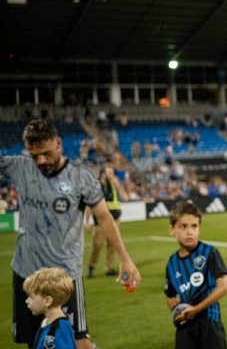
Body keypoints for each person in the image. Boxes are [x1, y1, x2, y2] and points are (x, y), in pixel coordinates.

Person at [4, 119, 141, 349]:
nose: (41, 161)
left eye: (46, 153)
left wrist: (125, 260)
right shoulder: (20, 166)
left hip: (63, 275)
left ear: (58, 143)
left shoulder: (81, 177)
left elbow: (106, 218)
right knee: (35, 342)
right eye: (34, 155)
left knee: (80, 343)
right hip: (26, 273)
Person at [164, 201, 227, 349]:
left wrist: (196, 309)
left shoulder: (209, 252)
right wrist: (178, 311)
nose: (190, 232)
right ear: (172, 230)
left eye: (194, 226)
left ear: (199, 229)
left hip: (209, 324)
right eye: (183, 226)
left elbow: (224, 287)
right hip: (185, 328)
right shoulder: (172, 263)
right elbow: (170, 295)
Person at [85, 166, 128, 278]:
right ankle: (91, 266)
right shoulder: (96, 186)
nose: (112, 174)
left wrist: (119, 185)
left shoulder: (113, 184)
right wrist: (87, 221)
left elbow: (125, 197)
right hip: (101, 222)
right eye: (110, 172)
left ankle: (109, 268)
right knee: (97, 245)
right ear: (103, 174)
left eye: (112, 172)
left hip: (115, 220)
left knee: (113, 245)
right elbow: (90, 205)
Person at [23, 267, 76, 349]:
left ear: (47, 301)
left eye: (31, 297)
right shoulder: (47, 321)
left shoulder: (61, 329)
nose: (27, 301)